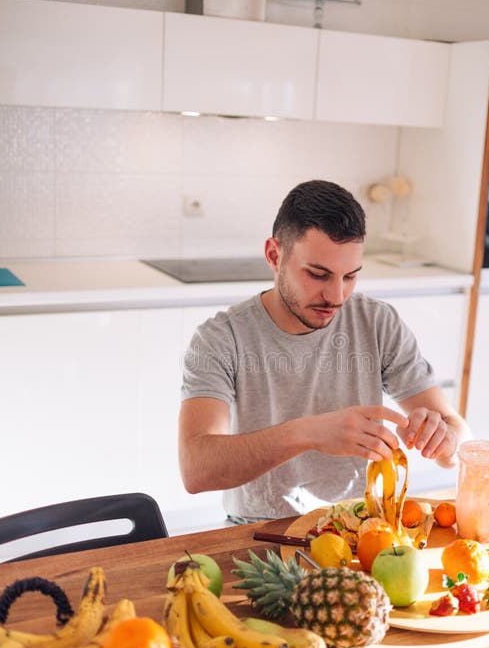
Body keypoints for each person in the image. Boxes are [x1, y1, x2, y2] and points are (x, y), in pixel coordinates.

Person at [179, 179, 470, 523]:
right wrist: (307, 434)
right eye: (318, 274)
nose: (336, 296)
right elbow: (196, 469)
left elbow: (459, 438)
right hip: (261, 531)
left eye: (350, 276)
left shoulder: (377, 322)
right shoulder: (222, 338)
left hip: (362, 526)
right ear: (274, 255)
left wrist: (444, 439)